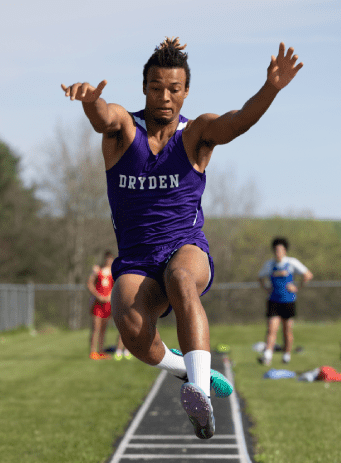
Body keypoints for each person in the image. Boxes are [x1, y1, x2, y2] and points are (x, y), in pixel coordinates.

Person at [61, 37, 303, 439]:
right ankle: (186, 370)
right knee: (133, 332)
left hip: (185, 247)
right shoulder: (123, 130)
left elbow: (239, 120)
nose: (165, 97)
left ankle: (198, 393)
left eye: (174, 89)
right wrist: (89, 101)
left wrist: (271, 89)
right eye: (156, 88)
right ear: (144, 88)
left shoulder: (197, 134)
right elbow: (105, 116)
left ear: (186, 91)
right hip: (137, 259)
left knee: (180, 278)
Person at [257, 237, 313, 366]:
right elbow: (260, 277)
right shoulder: (270, 264)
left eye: (281, 250)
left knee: (287, 330)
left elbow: (308, 275)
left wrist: (297, 287)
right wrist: (266, 288)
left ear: (285, 251)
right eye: (276, 250)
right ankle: (267, 355)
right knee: (271, 329)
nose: (278, 252)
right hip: (273, 301)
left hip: (288, 301)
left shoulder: (292, 263)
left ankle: (287, 354)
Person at [87, 250, 129, 360]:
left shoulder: (113, 272)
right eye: (107, 259)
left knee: (103, 329)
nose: (109, 261)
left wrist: (110, 296)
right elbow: (90, 283)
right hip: (98, 303)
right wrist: (98, 295)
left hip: (108, 304)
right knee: (96, 327)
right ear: (105, 259)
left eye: (111, 259)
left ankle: (101, 351)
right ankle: (93, 351)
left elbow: (116, 285)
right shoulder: (98, 270)